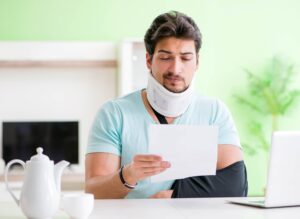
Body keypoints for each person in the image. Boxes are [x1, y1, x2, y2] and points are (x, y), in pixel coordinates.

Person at [85, 11, 247, 199]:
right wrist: (128, 175)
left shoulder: (214, 112)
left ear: (197, 62)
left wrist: (172, 196)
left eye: (186, 58)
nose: (176, 69)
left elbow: (235, 183)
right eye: (165, 57)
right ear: (148, 60)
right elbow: (93, 191)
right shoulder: (114, 114)